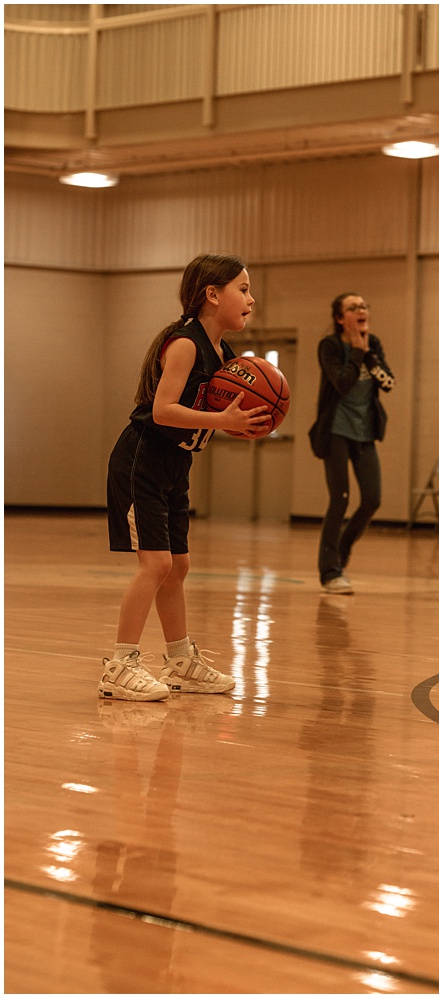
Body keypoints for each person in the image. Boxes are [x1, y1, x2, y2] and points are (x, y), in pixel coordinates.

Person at [102, 254, 270, 701]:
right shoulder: (185, 344)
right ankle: (119, 666)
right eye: (244, 288)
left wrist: (241, 424)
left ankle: (179, 661)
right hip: (143, 460)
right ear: (212, 295)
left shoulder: (224, 355)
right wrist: (222, 422)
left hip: (176, 465)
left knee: (178, 566)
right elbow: (162, 410)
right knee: (155, 564)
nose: (252, 299)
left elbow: (209, 415)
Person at [310, 293, 395, 594]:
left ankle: (341, 548)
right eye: (353, 307)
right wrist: (357, 353)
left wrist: (368, 353)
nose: (361, 310)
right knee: (340, 499)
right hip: (335, 431)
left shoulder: (375, 345)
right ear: (339, 318)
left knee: (372, 498)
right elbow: (342, 383)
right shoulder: (329, 346)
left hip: (365, 431)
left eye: (363, 305)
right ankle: (330, 571)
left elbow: (388, 383)